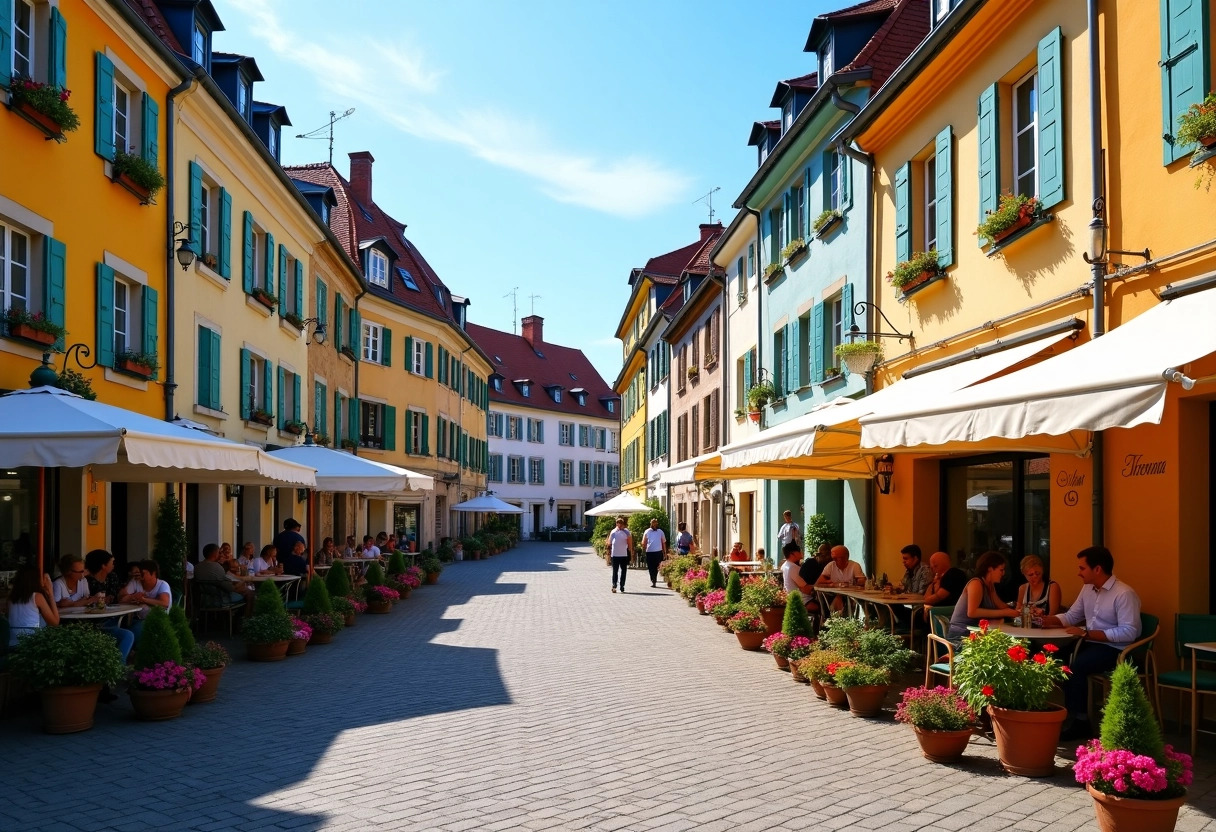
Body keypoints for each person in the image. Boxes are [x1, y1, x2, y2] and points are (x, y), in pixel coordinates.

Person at [1040, 547, 1142, 737]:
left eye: (1082, 568)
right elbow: (1072, 616)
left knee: (1077, 666)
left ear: (1097, 569)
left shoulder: (1124, 594)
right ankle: (1062, 711)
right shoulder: (1088, 588)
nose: (1078, 573)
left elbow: (1130, 632)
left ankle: (1080, 721)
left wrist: (1088, 634)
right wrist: (1047, 620)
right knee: (1053, 657)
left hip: (1115, 649)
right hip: (1090, 643)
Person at [946, 551, 1020, 640]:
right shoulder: (976, 583)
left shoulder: (990, 585)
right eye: (1001, 569)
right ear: (990, 569)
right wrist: (1005, 613)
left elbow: (1000, 606)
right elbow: (972, 612)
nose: (1003, 573)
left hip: (976, 632)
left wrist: (1017, 607)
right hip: (962, 634)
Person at [82, 549, 136, 664]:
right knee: (127, 635)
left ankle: (117, 667)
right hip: (93, 622)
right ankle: (118, 669)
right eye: (112, 562)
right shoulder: (86, 582)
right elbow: (86, 602)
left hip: (114, 618)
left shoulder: (112, 577)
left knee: (128, 634)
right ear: (103, 565)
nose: (114, 565)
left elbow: (117, 596)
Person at [195, 542, 255, 616]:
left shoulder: (197, 567)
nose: (221, 555)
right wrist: (241, 583)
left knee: (244, 589)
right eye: (219, 553)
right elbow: (229, 588)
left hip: (205, 600)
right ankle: (245, 621)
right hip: (221, 600)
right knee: (250, 593)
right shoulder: (217, 567)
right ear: (214, 554)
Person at [6, 564, 59, 646]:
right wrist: (51, 594)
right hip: (31, 643)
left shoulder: (11, 598)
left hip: (12, 642)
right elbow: (55, 623)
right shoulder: (37, 597)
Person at [119, 559, 172, 639]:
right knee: (124, 631)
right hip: (138, 619)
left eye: (143, 573)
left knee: (131, 633)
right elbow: (121, 598)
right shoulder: (136, 582)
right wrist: (133, 596)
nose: (140, 575)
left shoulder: (163, 585)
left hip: (157, 620)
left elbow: (164, 604)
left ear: (153, 573)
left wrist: (143, 600)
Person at [606, 516, 633, 594]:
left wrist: (630, 552)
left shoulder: (626, 532)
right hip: (615, 555)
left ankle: (622, 585)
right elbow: (609, 542)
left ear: (623, 524)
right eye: (618, 524)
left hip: (624, 555)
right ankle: (614, 585)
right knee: (615, 571)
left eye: (621, 524)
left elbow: (629, 543)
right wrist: (608, 549)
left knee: (624, 571)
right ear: (616, 524)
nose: (620, 525)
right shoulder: (613, 532)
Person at [640, 519, 667, 588]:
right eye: (653, 523)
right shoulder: (647, 531)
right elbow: (644, 542)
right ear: (651, 524)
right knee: (650, 567)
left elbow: (663, 542)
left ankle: (654, 579)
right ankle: (653, 579)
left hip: (658, 551)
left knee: (656, 566)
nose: (654, 524)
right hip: (649, 551)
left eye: (655, 523)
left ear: (657, 524)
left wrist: (665, 552)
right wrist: (643, 549)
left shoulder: (660, 532)